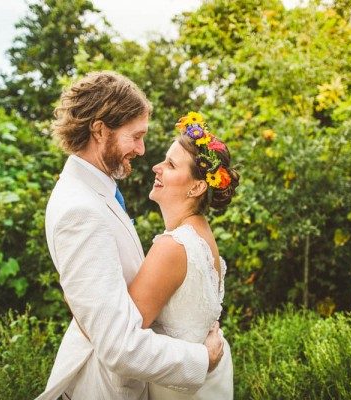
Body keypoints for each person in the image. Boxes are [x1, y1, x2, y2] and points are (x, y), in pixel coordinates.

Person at [36, 71, 224, 400]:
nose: (141, 149)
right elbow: (118, 344)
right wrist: (203, 359)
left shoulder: (99, 193)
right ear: (99, 130)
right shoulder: (79, 210)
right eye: (135, 136)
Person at [128, 111, 239, 399]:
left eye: (171, 164)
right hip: (204, 382)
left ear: (197, 186)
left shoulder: (174, 246)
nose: (156, 167)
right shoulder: (202, 235)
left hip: (177, 387)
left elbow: (124, 330)